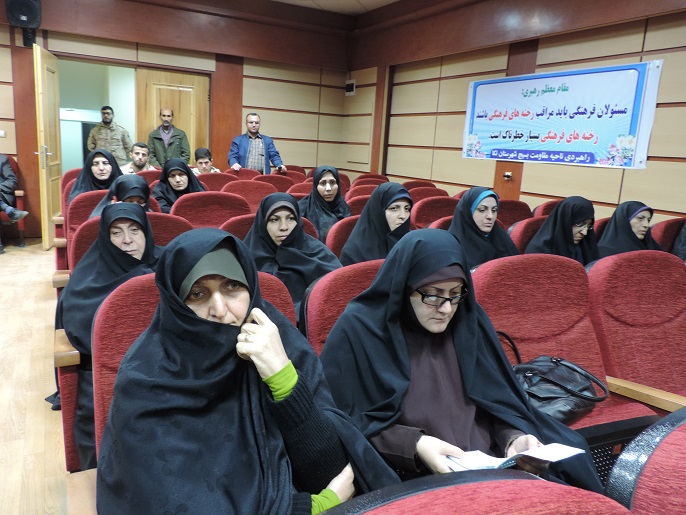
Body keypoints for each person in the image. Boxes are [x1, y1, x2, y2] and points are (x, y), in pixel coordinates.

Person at [96, 228, 399, 514]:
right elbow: (173, 503)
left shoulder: (281, 343)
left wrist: (282, 377)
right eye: (197, 294)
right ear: (175, 303)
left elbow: (331, 471)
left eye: (232, 287)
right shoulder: (145, 381)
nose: (220, 310)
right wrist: (314, 507)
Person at [320, 229, 603, 492]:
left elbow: (497, 402)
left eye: (455, 295)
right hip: (409, 477)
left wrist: (513, 438)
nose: (446, 309)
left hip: (491, 467)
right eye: (433, 296)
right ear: (404, 287)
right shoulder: (360, 331)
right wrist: (414, 444)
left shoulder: (468, 321)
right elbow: (341, 421)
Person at [55, 203, 161, 470]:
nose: (127, 240)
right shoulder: (87, 281)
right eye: (116, 232)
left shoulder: (166, 266)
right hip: (106, 378)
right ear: (105, 236)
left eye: (135, 230)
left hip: (168, 373)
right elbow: (80, 333)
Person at [244, 193, 341, 317]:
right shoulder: (246, 259)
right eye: (274, 220)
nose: (284, 227)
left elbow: (337, 292)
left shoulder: (317, 253)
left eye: (290, 219)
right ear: (263, 223)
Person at [339, 182, 412, 266]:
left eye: (407, 209)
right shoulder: (354, 252)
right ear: (378, 211)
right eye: (394, 208)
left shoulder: (412, 242)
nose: (403, 216)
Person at [448, 186, 519, 270]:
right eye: (482, 210)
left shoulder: (502, 240)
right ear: (468, 212)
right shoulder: (452, 248)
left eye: (494, 210)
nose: (490, 216)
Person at [525, 196, 600, 266]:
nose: (584, 232)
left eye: (589, 226)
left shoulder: (586, 246)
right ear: (565, 222)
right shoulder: (539, 251)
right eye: (579, 224)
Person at [298, 165, 351, 243]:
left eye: (332, 182)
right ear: (316, 186)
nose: (328, 188)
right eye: (323, 183)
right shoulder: (302, 208)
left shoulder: (344, 207)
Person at [597, 201, 662, 258]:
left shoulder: (651, 247)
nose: (646, 225)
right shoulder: (606, 252)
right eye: (640, 218)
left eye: (648, 220)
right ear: (624, 221)